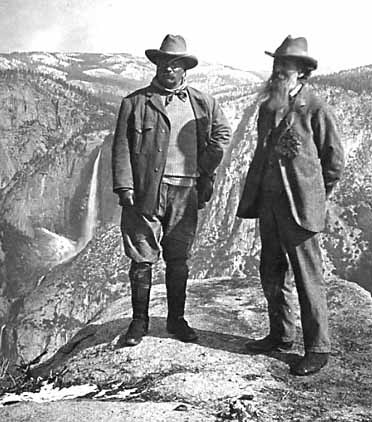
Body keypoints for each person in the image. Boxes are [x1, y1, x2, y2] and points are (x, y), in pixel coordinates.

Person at [112, 34, 231, 346]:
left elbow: (222, 134)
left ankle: (176, 321)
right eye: (164, 63)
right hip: (146, 193)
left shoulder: (203, 103)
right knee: (141, 257)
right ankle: (139, 323)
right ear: (157, 65)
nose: (169, 69)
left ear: (184, 70)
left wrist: (205, 165)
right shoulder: (136, 103)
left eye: (175, 64)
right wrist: (125, 186)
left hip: (186, 192)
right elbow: (121, 146)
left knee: (178, 259)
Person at [236, 36, 344, 375]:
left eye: (287, 68)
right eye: (277, 66)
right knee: (271, 270)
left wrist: (315, 196)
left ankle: (318, 348)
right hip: (268, 204)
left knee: (307, 276)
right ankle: (280, 335)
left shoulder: (315, 107)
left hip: (300, 209)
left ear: (303, 73)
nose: (279, 72)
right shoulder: (269, 106)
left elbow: (334, 161)